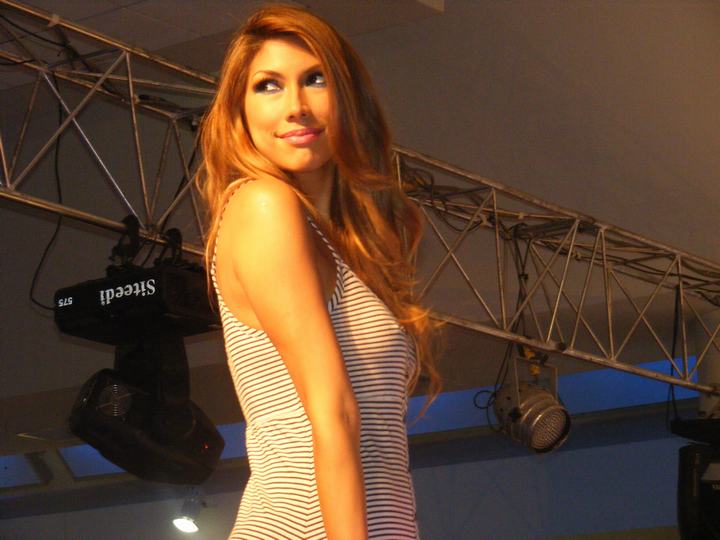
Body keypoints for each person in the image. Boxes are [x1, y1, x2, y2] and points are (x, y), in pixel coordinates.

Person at [199, 4, 440, 539]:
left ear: (350, 99)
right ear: (239, 110)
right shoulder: (264, 206)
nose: (296, 107)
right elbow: (334, 412)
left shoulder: (351, 247)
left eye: (315, 79)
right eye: (268, 85)